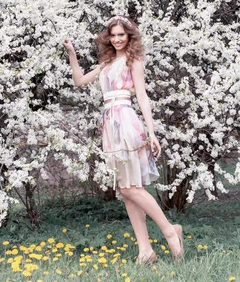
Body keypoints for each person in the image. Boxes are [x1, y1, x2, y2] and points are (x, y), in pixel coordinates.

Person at [63, 15, 183, 264]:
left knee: (132, 188)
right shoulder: (106, 63)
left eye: (121, 35)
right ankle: (145, 250)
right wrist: (72, 54)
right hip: (110, 125)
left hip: (126, 122)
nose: (117, 39)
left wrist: (151, 132)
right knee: (126, 191)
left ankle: (170, 231)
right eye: (113, 35)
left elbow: (142, 96)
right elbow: (79, 81)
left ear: (129, 36)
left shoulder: (133, 61)